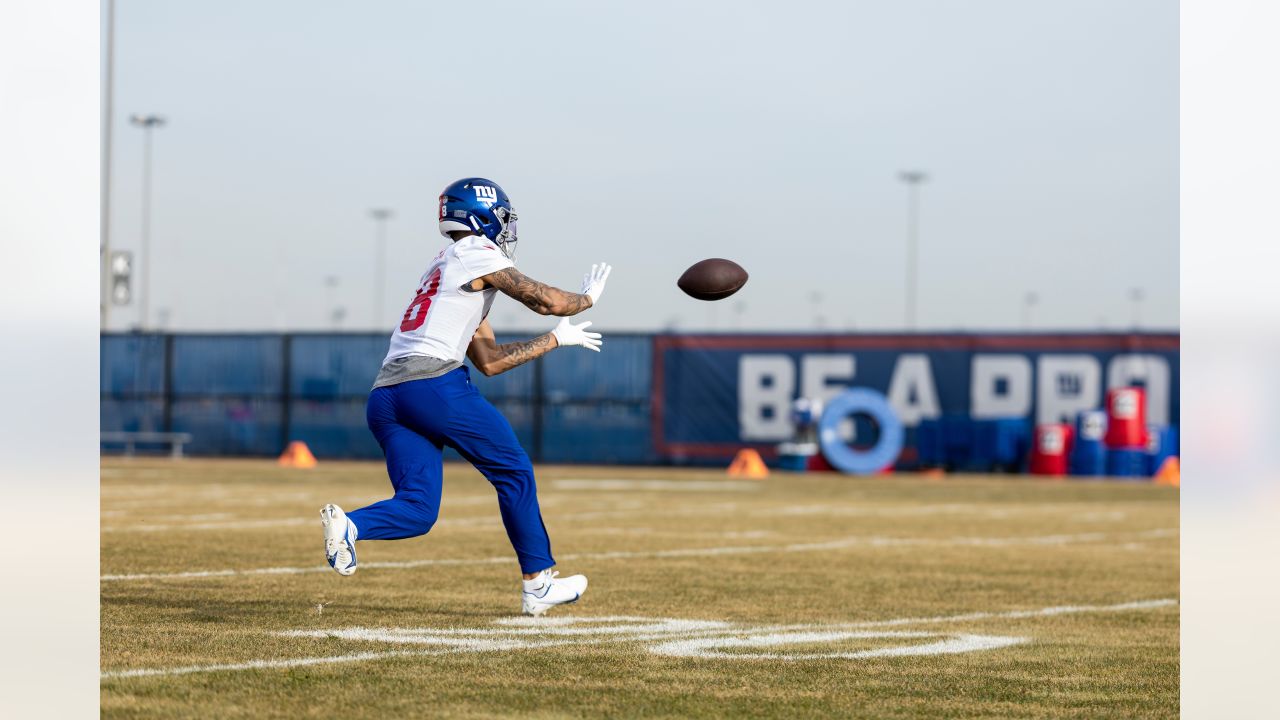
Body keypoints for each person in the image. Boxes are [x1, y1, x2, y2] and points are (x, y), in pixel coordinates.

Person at [320, 177, 611, 616]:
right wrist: (586, 299)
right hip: (431, 385)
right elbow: (546, 299)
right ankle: (538, 584)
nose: (505, 228)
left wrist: (554, 341)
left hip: (386, 396)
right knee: (513, 470)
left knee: (418, 510)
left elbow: (490, 360)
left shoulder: (443, 269)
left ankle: (351, 526)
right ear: (482, 215)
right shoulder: (476, 252)